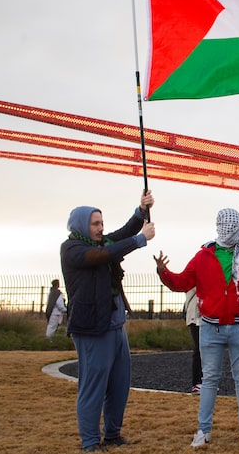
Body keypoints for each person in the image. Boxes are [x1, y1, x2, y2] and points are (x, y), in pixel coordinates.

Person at [155, 208, 239, 448]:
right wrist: (163, 272)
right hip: (210, 327)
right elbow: (182, 282)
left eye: (232, 225)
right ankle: (203, 429)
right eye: (224, 226)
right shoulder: (204, 255)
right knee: (209, 380)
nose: (228, 230)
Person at [61, 190, 155, 452]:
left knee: (119, 384)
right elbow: (105, 255)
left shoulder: (101, 242)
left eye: (102, 223)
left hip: (115, 326)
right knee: (92, 386)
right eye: (95, 223)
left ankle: (113, 434)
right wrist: (140, 240)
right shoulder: (72, 249)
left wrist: (141, 210)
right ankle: (90, 441)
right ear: (81, 225)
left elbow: (122, 234)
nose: (101, 228)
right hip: (91, 328)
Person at [184, 288, 202, 393]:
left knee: (205, 350)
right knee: (199, 349)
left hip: (205, 315)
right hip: (195, 316)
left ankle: (203, 381)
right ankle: (197, 382)